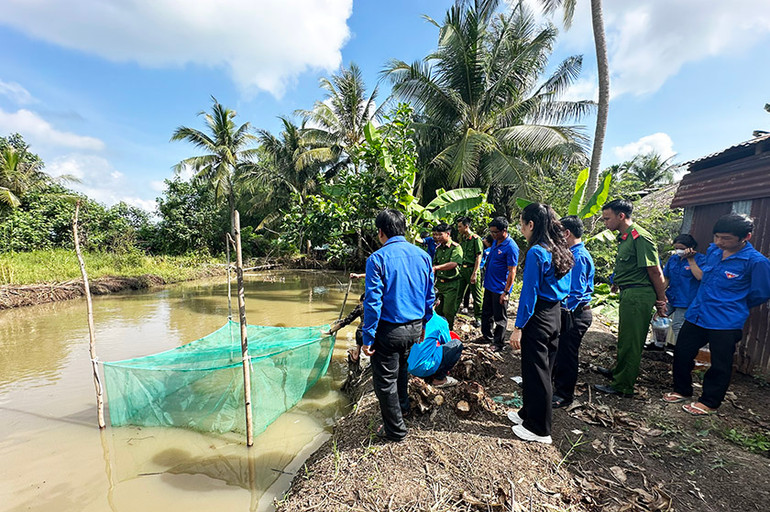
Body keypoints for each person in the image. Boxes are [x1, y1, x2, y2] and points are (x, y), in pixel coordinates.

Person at [663, 214, 770, 415]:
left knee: (720, 363)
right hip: (697, 314)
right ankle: (682, 390)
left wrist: (734, 304)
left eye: (726, 238)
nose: (719, 242)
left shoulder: (756, 262)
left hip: (725, 321)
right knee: (682, 352)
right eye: (717, 237)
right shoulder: (713, 251)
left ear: (745, 237)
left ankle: (710, 402)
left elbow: (761, 293)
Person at [363, 209, 435, 442]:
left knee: (384, 382)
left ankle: (396, 430)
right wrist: (424, 323)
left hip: (389, 330)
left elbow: (373, 303)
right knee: (402, 368)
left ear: (381, 232)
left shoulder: (377, 259)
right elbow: (429, 295)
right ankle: (402, 408)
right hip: (414, 327)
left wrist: (367, 337)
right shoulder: (423, 256)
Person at [508, 203, 572, 444]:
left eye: (522, 223)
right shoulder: (560, 248)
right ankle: (527, 413)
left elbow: (529, 293)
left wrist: (518, 327)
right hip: (556, 314)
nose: (521, 228)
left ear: (531, 224)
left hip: (540, 315)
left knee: (537, 372)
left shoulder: (536, 251)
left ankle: (540, 428)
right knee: (544, 368)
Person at [595, 199, 667, 397]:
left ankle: (623, 386)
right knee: (625, 337)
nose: (605, 223)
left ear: (621, 216)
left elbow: (654, 270)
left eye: (607, 219)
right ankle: (620, 373)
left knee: (633, 341)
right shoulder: (625, 237)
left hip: (639, 294)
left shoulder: (640, 237)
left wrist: (661, 300)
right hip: (629, 291)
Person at [552, 215, 595, 409]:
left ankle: (564, 395)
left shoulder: (577, 257)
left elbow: (576, 292)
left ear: (567, 233)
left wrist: (562, 310)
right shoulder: (574, 253)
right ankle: (554, 385)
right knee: (560, 351)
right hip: (571, 311)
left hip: (576, 313)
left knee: (567, 355)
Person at [648, 234, 705, 351]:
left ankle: (682, 350)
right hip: (671, 296)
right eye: (676, 248)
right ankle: (657, 344)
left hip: (687, 299)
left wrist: (690, 260)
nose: (678, 251)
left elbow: (700, 277)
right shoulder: (673, 259)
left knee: (678, 325)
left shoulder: (701, 259)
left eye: (682, 248)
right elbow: (666, 278)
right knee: (657, 319)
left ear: (691, 247)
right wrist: (660, 294)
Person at [481, 217, 519, 352]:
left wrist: (506, 291)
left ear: (504, 230)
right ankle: (487, 336)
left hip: (500, 288)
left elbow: (512, 271)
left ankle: (499, 343)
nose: (493, 235)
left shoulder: (511, 247)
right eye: (491, 232)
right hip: (489, 285)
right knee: (486, 313)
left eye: (495, 232)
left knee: (500, 318)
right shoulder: (496, 242)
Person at [407, 313, 464, 387]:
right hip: (424, 368)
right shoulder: (439, 321)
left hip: (406, 366)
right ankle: (439, 379)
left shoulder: (410, 315)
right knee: (456, 344)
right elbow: (448, 343)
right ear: (437, 303)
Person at [432, 222, 464, 330]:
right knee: (437, 310)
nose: (437, 237)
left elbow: (453, 264)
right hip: (439, 284)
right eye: (436, 234)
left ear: (448, 234)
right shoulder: (438, 249)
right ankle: (438, 332)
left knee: (448, 311)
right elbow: (434, 264)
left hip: (451, 284)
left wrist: (437, 268)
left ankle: (448, 332)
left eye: (440, 234)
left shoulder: (456, 248)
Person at [456, 216, 484, 327]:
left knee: (477, 295)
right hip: (463, 269)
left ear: (466, 226)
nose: (458, 229)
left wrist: (474, 273)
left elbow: (478, 257)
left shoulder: (476, 239)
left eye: (460, 226)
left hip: (473, 269)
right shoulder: (463, 239)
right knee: (458, 293)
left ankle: (478, 317)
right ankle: (453, 314)